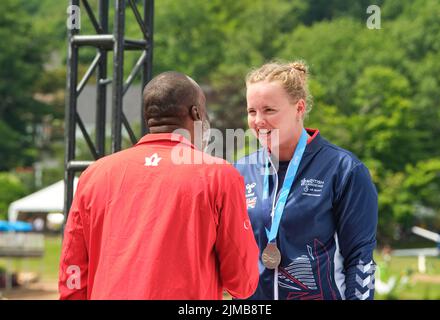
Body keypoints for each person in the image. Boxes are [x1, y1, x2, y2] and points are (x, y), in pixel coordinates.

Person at [59, 71, 259, 300]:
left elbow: (73, 270)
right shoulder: (219, 175)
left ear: (148, 118)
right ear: (196, 113)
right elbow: (242, 281)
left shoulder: (94, 174)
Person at [235, 61, 378, 300]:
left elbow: (361, 260)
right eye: (252, 111)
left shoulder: (344, 170)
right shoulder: (240, 171)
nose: (258, 121)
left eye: (269, 110)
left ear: (299, 108)